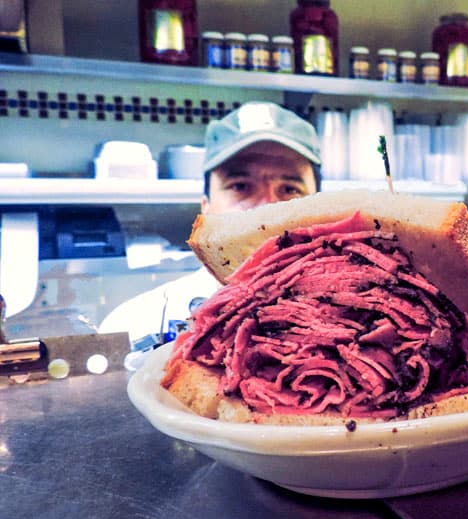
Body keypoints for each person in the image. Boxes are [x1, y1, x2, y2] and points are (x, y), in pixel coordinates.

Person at [99, 102, 321, 343]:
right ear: (206, 208)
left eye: (290, 189)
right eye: (241, 187)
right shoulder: (135, 325)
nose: (268, 208)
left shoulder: (357, 327)